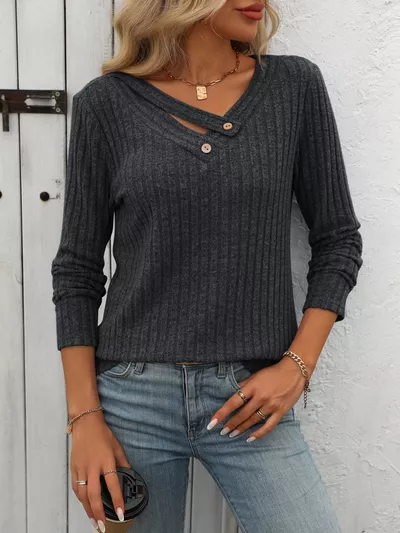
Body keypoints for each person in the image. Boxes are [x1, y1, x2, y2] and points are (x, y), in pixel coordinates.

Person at [50, 1, 363, 532]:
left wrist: (297, 365)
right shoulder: (106, 104)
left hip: (251, 397)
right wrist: (84, 418)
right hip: (132, 399)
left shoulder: (293, 88)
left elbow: (338, 240)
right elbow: (77, 271)